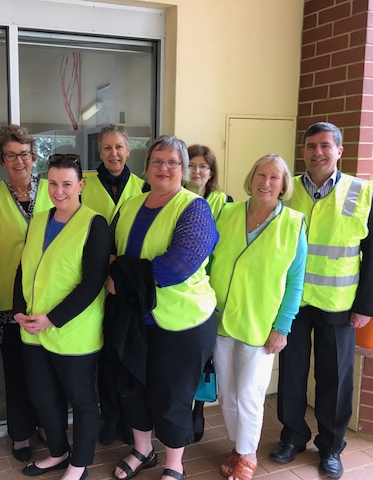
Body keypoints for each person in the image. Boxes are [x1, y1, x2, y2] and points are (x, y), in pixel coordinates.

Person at [269, 122, 373, 479]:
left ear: (339, 151)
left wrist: (365, 306)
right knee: (291, 374)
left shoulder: (362, 192)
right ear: (303, 151)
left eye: (324, 146)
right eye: (310, 146)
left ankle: (331, 447)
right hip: (295, 303)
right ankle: (292, 437)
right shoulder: (287, 191)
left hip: (339, 304)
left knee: (335, 378)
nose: (317, 152)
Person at [109, 136, 218, 480]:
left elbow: (177, 266)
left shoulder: (193, 208)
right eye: (157, 161)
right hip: (133, 317)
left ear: (184, 169)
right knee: (131, 385)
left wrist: (121, 278)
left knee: (172, 396)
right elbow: (106, 251)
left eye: (173, 162)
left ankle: (174, 464)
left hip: (181, 320)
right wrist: (117, 271)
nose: (164, 168)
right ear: (146, 167)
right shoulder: (129, 206)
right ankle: (143, 449)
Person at [13, 154, 110, 480]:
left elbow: (93, 282)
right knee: (41, 396)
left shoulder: (94, 223)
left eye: (67, 184)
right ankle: (57, 451)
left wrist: (52, 319)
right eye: (52, 183)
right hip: (32, 328)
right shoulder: (39, 219)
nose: (59, 191)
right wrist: (17, 307)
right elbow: (24, 266)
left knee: (81, 400)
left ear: (80, 185)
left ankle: (79, 463)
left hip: (73, 331)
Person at [210, 154, 307, 480]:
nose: (266, 182)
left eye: (274, 178)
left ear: (283, 186)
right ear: (251, 178)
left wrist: (283, 326)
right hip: (222, 320)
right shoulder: (227, 212)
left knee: (249, 394)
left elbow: (296, 281)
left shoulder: (293, 224)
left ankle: (248, 454)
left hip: (260, 324)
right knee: (226, 392)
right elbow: (210, 261)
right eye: (261, 175)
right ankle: (239, 446)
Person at [0, 124, 61, 462]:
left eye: (24, 154)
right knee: (16, 371)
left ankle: (49, 425)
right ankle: (20, 432)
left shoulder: (54, 190)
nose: (19, 161)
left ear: (34, 157)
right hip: (9, 301)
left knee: (49, 370)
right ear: (1, 160)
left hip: (50, 299)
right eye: (11, 155)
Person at [80, 124, 146, 446]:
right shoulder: (84, 185)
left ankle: (129, 417)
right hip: (93, 280)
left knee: (126, 352)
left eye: (119, 147)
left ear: (128, 149)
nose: (113, 153)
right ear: (99, 152)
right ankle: (110, 417)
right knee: (103, 355)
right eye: (107, 148)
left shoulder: (144, 187)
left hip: (127, 283)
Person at [186, 143, 232, 443]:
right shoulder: (172, 198)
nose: (198, 171)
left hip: (213, 287)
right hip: (181, 289)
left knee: (207, 358)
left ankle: (198, 409)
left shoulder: (224, 202)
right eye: (193, 165)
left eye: (204, 166)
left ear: (211, 172)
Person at [186, 144, 231, 219]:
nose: (196, 171)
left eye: (202, 166)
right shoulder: (172, 198)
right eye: (190, 165)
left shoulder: (224, 201)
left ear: (211, 174)